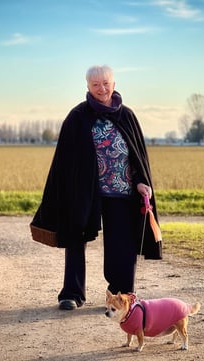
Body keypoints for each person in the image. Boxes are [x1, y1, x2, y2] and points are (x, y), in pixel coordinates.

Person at [30, 65, 161, 310]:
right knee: (75, 238)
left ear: (114, 83)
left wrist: (142, 180)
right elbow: (64, 159)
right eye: (95, 85)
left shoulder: (127, 116)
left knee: (123, 243)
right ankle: (72, 293)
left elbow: (138, 154)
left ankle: (121, 295)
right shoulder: (77, 116)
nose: (101, 89)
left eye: (105, 83)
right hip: (85, 192)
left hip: (122, 190)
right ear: (88, 87)